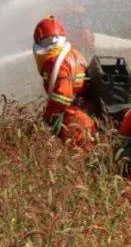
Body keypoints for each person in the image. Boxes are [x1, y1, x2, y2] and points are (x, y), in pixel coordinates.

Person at [34, 15, 96, 149]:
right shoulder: (74, 54)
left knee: (79, 158)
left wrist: (48, 117)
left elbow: (63, 94)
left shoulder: (55, 61)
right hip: (85, 114)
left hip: (74, 120)